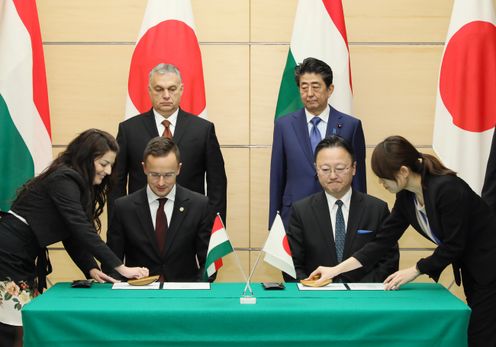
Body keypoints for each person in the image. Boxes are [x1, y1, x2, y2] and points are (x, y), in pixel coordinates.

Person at [309, 135, 496, 347]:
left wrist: (415, 269)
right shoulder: (407, 198)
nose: (381, 183)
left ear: (404, 172)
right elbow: (381, 243)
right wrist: (334, 270)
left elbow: (454, 244)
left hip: (489, 268)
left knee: (482, 336)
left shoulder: (447, 188)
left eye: (383, 177)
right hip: (475, 271)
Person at [0, 129, 149, 347]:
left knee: (18, 323)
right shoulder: (64, 178)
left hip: (19, 253)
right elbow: (79, 228)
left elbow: (71, 233)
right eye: (103, 163)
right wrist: (121, 268)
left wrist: (90, 268)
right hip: (8, 253)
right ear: (87, 158)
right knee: (11, 326)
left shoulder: (73, 179)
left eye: (111, 165)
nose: (108, 171)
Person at [110, 63, 227, 222]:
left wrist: (214, 229)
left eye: (172, 89)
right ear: (149, 90)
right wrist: (118, 226)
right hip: (140, 223)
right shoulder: (129, 130)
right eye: (159, 89)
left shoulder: (203, 130)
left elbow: (217, 184)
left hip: (191, 222)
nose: (166, 95)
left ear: (181, 89)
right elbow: (116, 183)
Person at [269, 57, 366, 228]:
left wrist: (360, 220)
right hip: (292, 215)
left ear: (330, 89)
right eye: (304, 87)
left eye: (316, 87)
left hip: (337, 212)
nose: (309, 94)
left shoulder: (351, 125)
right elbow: (277, 176)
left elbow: (358, 178)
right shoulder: (284, 125)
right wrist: (274, 223)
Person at [287, 136, 398, 282]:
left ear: (354, 168)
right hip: (317, 297)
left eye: (340, 168)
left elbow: (389, 261)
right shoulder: (301, 211)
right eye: (325, 169)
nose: (333, 175)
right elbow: (292, 265)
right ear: (316, 169)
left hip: (364, 297)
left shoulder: (376, 209)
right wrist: (311, 288)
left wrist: (358, 290)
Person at [106, 137, 212, 282]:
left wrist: (195, 291)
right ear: (144, 168)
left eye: (168, 175)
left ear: (179, 169)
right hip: (138, 296)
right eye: (154, 175)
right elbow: (112, 262)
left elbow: (209, 262)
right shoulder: (123, 207)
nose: (161, 182)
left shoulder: (199, 205)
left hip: (184, 296)